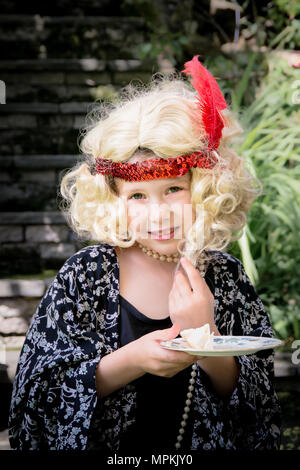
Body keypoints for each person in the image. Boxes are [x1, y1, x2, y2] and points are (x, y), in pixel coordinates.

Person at [8, 56, 281, 451]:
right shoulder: (83, 277)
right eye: (138, 196)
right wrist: (131, 360)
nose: (160, 213)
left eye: (173, 189)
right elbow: (33, 404)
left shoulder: (227, 276)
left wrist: (205, 339)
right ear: (113, 199)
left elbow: (257, 404)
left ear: (204, 188)